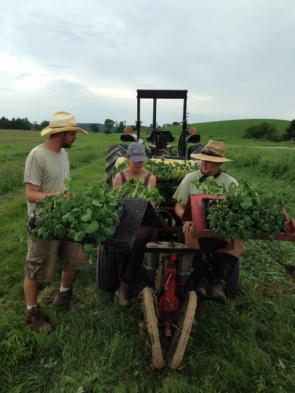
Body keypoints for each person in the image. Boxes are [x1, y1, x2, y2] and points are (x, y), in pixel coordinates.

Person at [23, 111, 87, 331]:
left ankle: (63, 295)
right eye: (73, 134)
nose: (75, 138)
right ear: (62, 133)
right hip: (43, 222)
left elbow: (62, 187)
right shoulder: (37, 156)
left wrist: (69, 200)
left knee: (76, 260)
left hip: (65, 218)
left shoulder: (63, 155)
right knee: (36, 270)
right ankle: (32, 313)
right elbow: (30, 194)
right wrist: (56, 197)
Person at [173, 140, 243, 303]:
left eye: (209, 161)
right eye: (203, 160)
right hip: (195, 225)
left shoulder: (230, 182)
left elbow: (237, 210)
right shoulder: (190, 178)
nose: (204, 164)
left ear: (218, 163)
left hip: (220, 226)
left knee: (238, 240)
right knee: (189, 231)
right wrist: (186, 218)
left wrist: (230, 225)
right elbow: (179, 206)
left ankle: (220, 283)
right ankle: (201, 279)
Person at [113, 143, 156, 306]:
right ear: (127, 158)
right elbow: (116, 203)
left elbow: (150, 205)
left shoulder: (150, 178)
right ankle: (124, 281)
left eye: (140, 161)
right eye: (134, 160)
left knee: (139, 238)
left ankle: (125, 283)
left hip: (143, 221)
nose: (138, 164)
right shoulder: (119, 177)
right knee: (121, 239)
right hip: (125, 220)